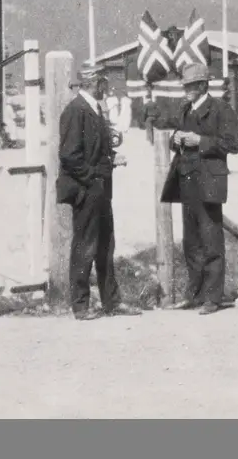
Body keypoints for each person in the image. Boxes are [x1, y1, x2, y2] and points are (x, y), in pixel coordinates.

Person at [56, 64, 141, 320]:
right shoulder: (75, 111)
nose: (107, 88)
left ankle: (111, 302)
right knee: (85, 246)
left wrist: (111, 158)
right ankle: (80, 306)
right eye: (104, 83)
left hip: (101, 188)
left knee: (105, 245)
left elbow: (95, 149)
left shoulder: (94, 109)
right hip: (88, 190)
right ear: (94, 83)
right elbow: (69, 155)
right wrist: (92, 176)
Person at [160, 62, 238, 315]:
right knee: (191, 242)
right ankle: (195, 295)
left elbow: (233, 144)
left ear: (203, 85)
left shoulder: (221, 109)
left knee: (211, 241)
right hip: (186, 182)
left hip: (208, 182)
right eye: (185, 85)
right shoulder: (185, 109)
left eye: (191, 86)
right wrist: (175, 139)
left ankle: (213, 298)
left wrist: (201, 141)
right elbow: (177, 137)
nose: (186, 90)